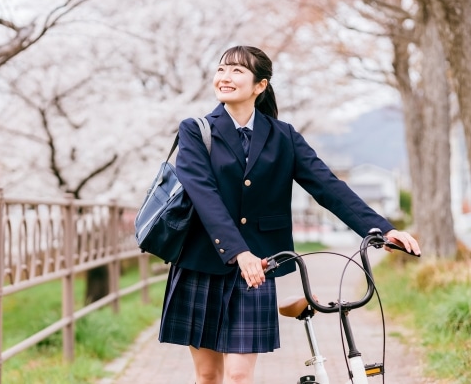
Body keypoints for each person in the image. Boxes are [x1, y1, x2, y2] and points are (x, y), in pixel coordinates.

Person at [158, 45, 421, 384]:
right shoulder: (194, 131)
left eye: (237, 71)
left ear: (260, 85)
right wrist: (239, 252)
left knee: (239, 376)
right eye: (222, 69)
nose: (225, 77)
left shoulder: (284, 136)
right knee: (208, 375)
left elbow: (328, 187)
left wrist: (382, 230)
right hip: (203, 262)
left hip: (257, 269)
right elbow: (203, 194)